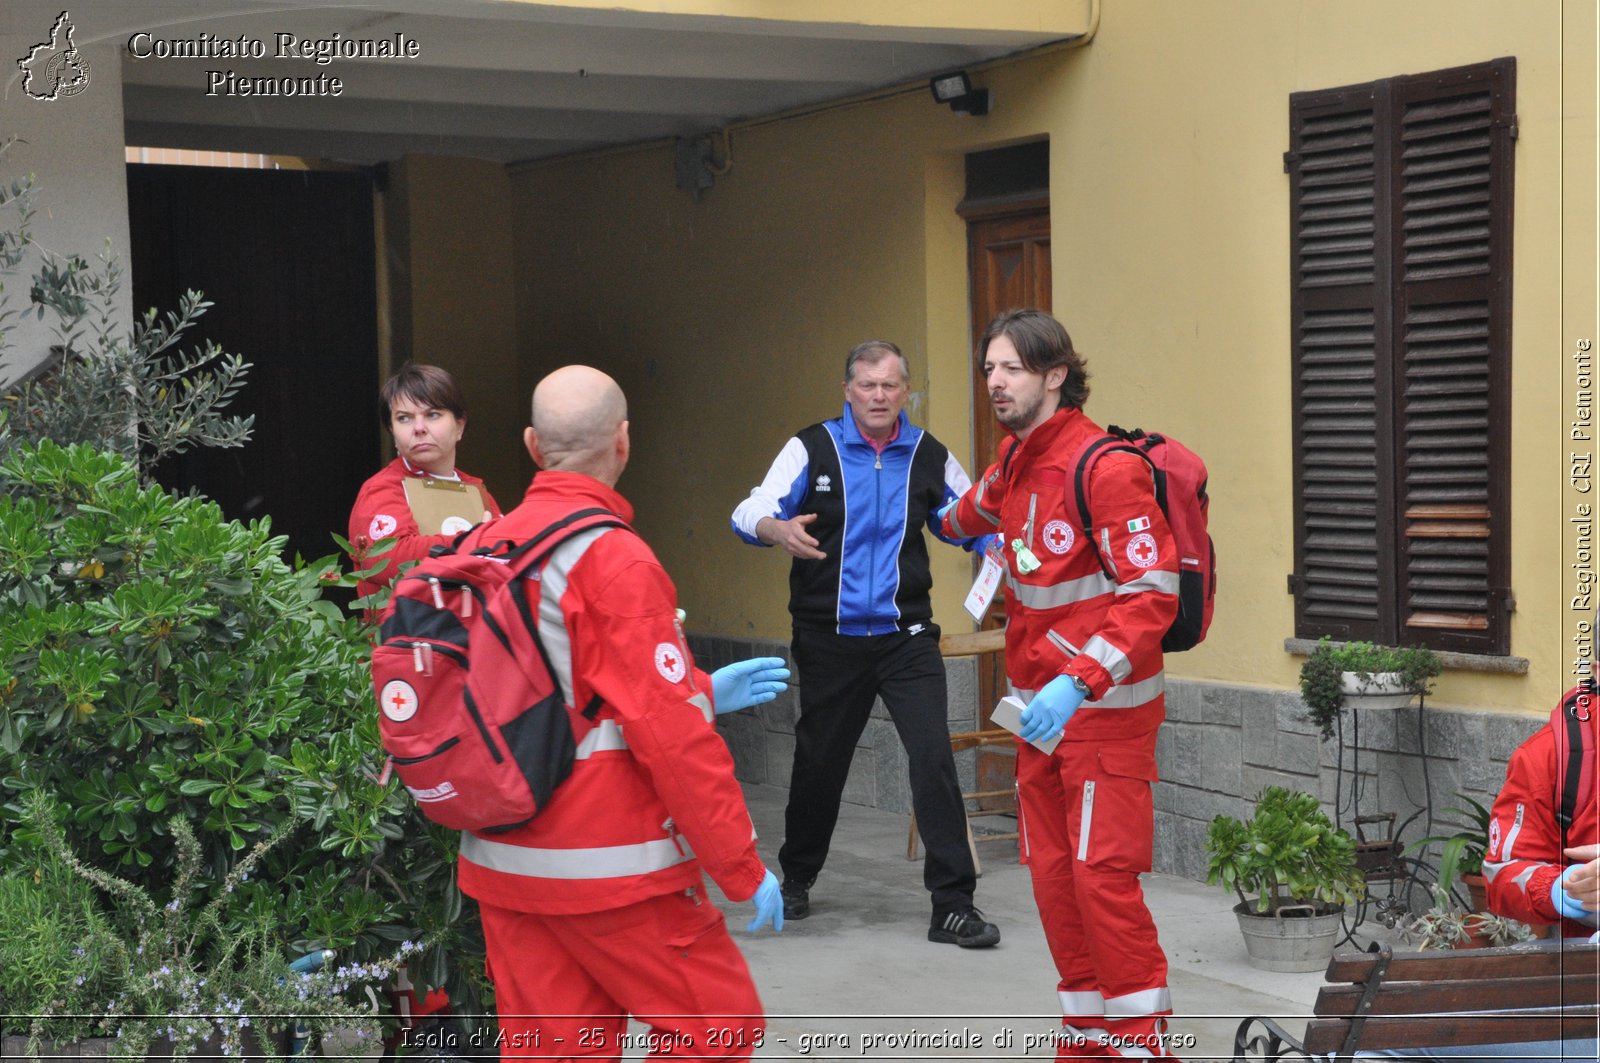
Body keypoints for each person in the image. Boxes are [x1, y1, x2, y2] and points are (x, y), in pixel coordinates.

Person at [457, 364, 789, 1061]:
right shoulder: (613, 559)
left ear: (530, 444)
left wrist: (698, 682)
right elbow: (671, 739)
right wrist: (740, 864)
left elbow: (558, 685)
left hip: (503, 860)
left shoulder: (484, 546)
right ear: (624, 442)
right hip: (608, 867)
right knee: (718, 1027)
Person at [938, 309, 1179, 1059]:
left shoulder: (1105, 467)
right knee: (1052, 879)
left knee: (1100, 879)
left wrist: (1077, 682)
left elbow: (1152, 591)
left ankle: (1143, 1040)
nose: (995, 381)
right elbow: (956, 518)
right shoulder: (1012, 462)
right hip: (1038, 718)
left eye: (1010, 367)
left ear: (1055, 375)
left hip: (1101, 717)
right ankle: (1088, 1032)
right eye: (988, 368)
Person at [730, 339, 1000, 949]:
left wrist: (995, 547)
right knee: (820, 765)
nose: (879, 397)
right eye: (867, 385)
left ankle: (953, 904)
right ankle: (797, 876)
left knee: (932, 756)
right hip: (830, 640)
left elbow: (971, 516)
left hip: (907, 639)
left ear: (907, 391)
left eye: (891, 385)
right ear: (848, 390)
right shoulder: (811, 447)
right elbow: (750, 509)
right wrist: (775, 528)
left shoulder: (928, 454)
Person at [348, 364, 502, 600]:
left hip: (477, 633)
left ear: (459, 425)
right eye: (404, 418)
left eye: (432, 415)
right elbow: (390, 560)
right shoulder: (381, 489)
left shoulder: (478, 491)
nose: (419, 428)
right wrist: (475, 541)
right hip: (409, 633)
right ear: (393, 432)